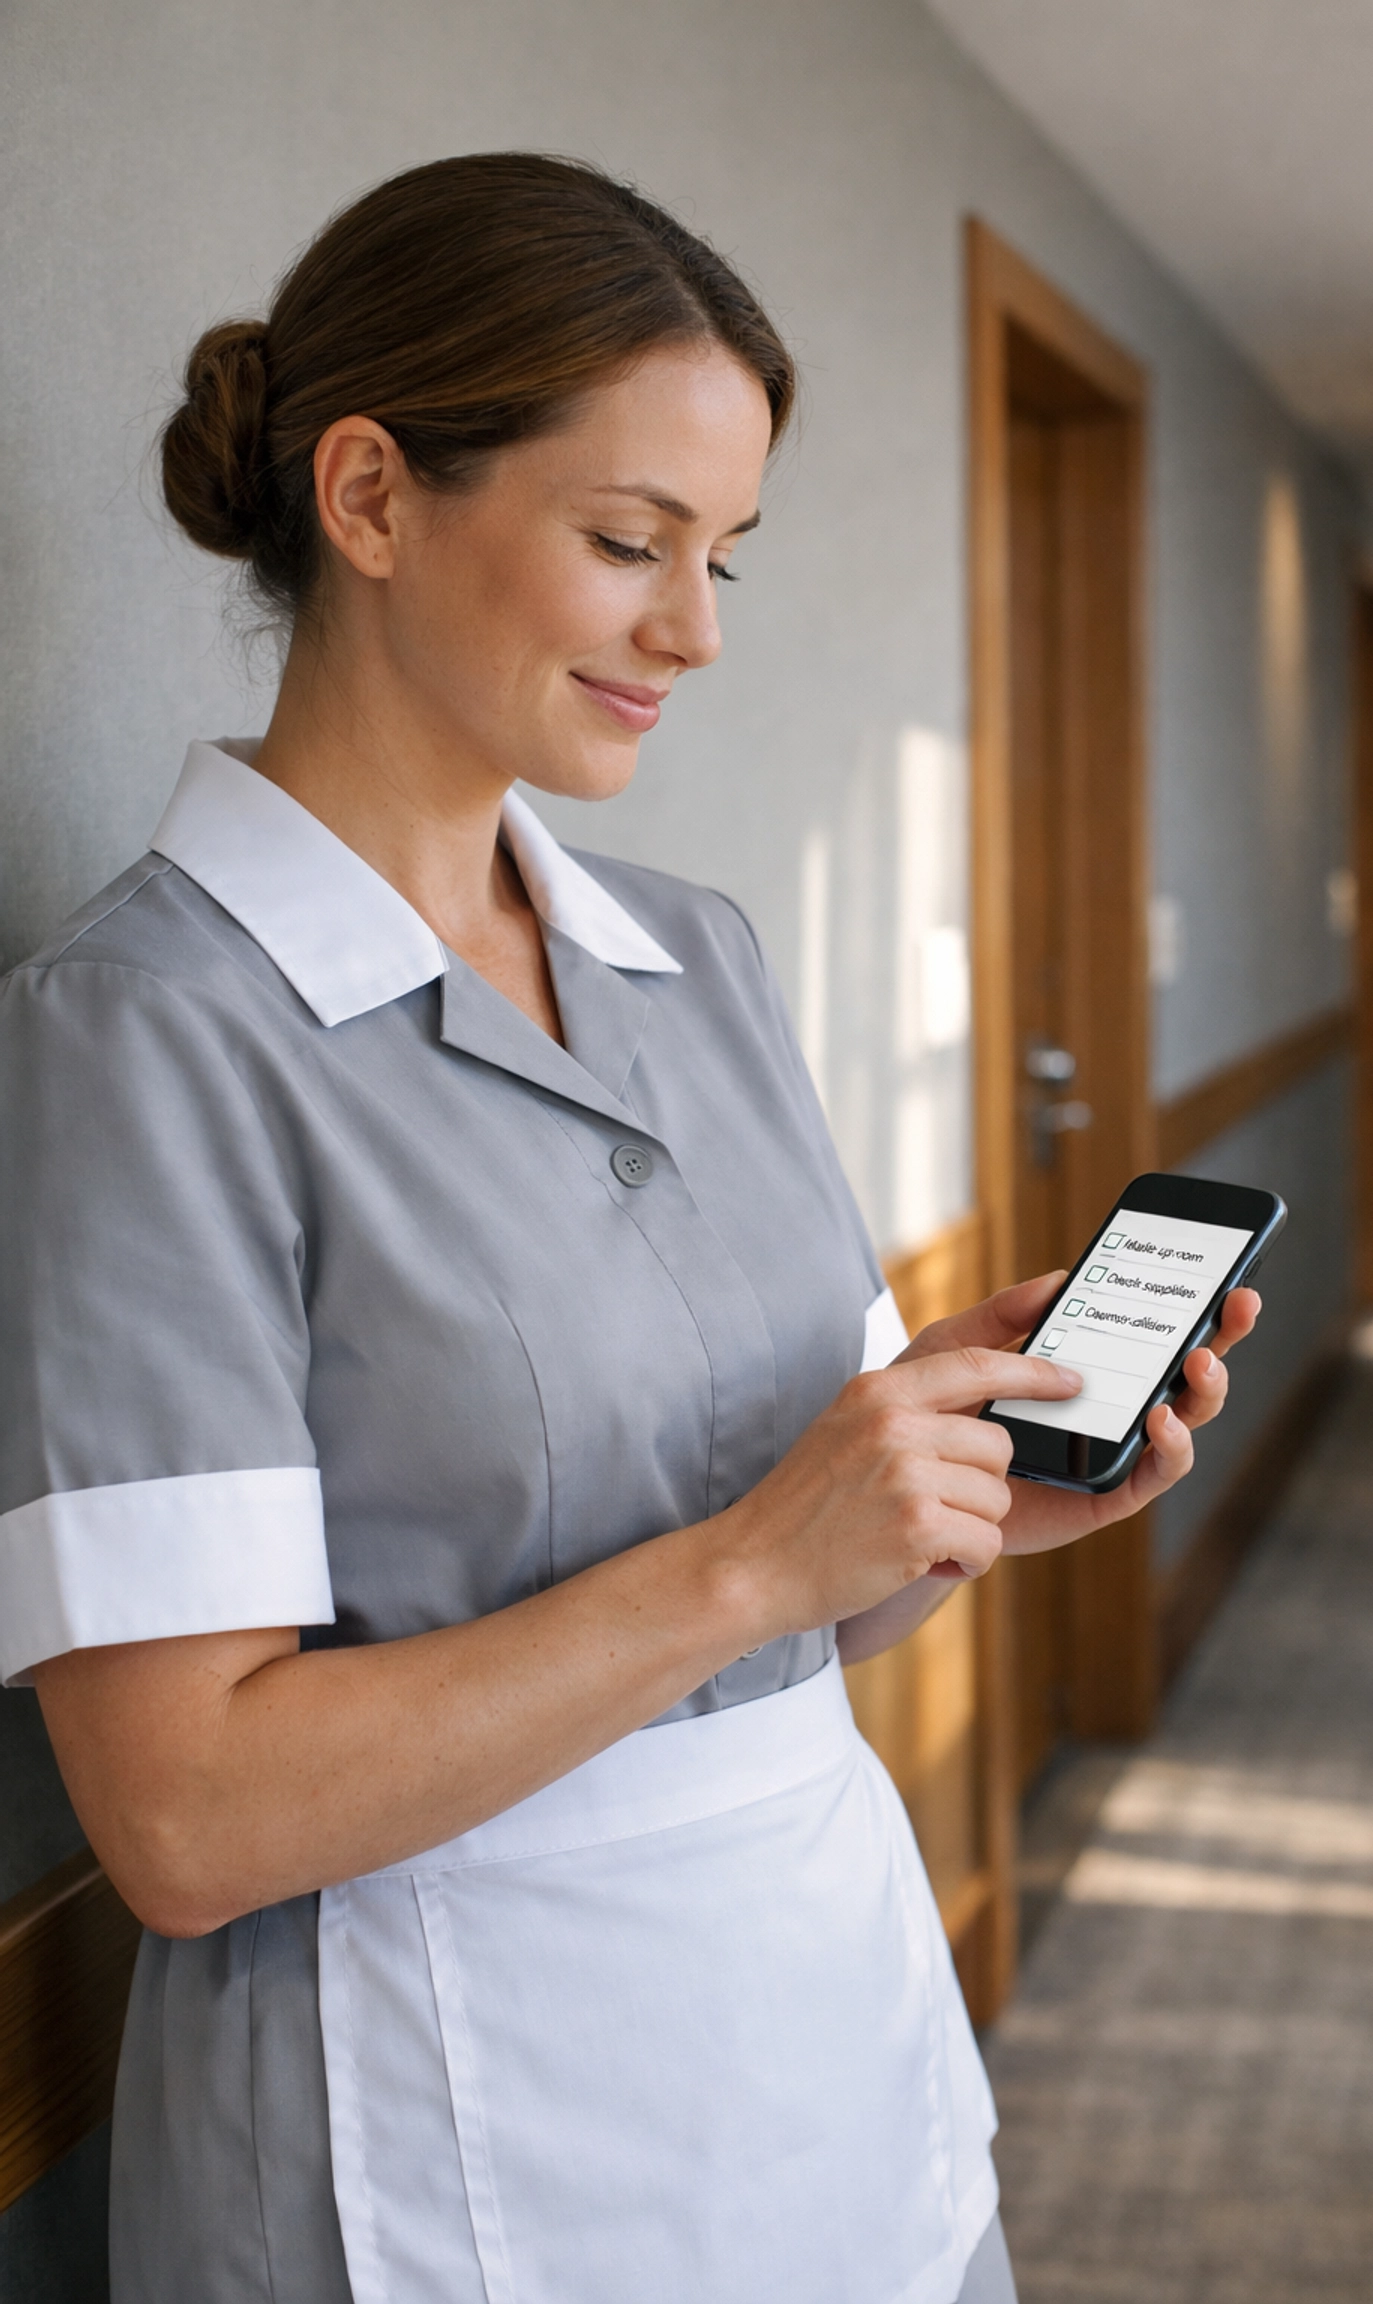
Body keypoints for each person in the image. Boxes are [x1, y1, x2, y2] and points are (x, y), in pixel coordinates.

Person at [0, 154, 1257, 2304]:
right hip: (438, 2131)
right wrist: (765, 1553)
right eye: (627, 543)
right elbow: (187, 1822)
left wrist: (938, 1508)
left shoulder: (700, 959)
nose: (690, 630)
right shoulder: (147, 1035)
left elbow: (794, 1602)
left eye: (724, 560)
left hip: (818, 2031)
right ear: (371, 495)